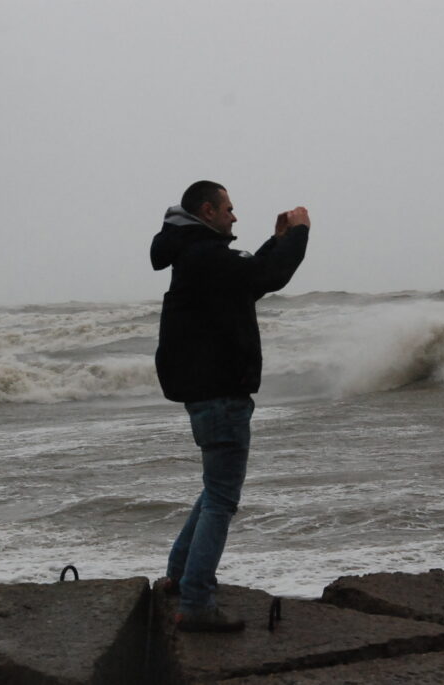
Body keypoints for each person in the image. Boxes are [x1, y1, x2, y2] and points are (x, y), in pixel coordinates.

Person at [150, 180, 310, 632]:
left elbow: (249, 279)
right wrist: (300, 233)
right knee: (221, 499)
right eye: (229, 209)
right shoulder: (206, 254)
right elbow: (267, 276)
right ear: (208, 211)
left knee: (214, 490)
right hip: (221, 395)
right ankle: (197, 603)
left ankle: (179, 576)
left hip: (205, 393)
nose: (234, 216)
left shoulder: (194, 253)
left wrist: (276, 240)